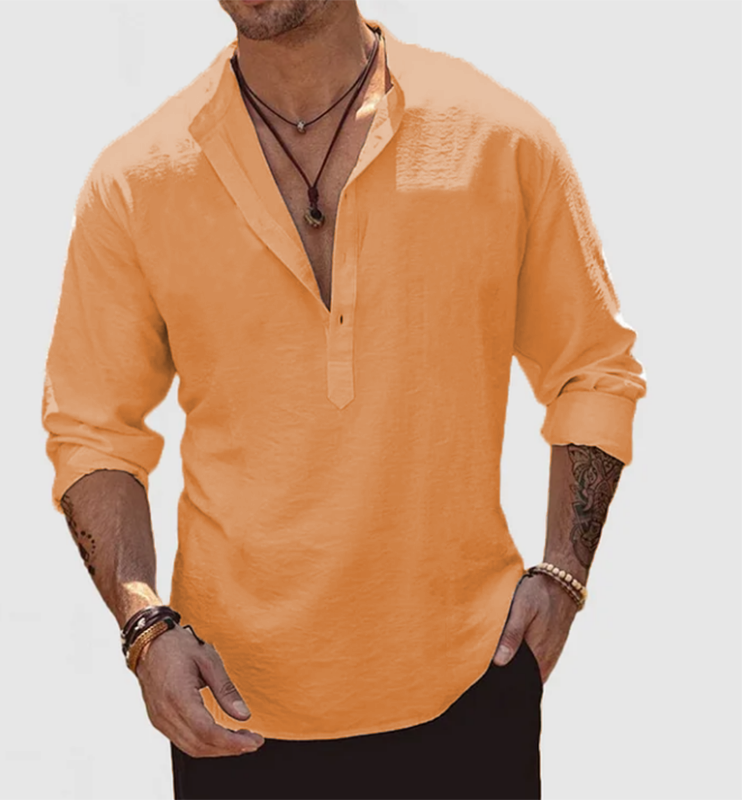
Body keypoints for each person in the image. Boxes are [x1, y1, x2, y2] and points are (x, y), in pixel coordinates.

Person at [41, 1, 647, 797]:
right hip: (231, 711)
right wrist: (144, 626)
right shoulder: (135, 180)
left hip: (470, 687)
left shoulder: (499, 141)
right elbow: (92, 429)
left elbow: (592, 368)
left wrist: (564, 573)